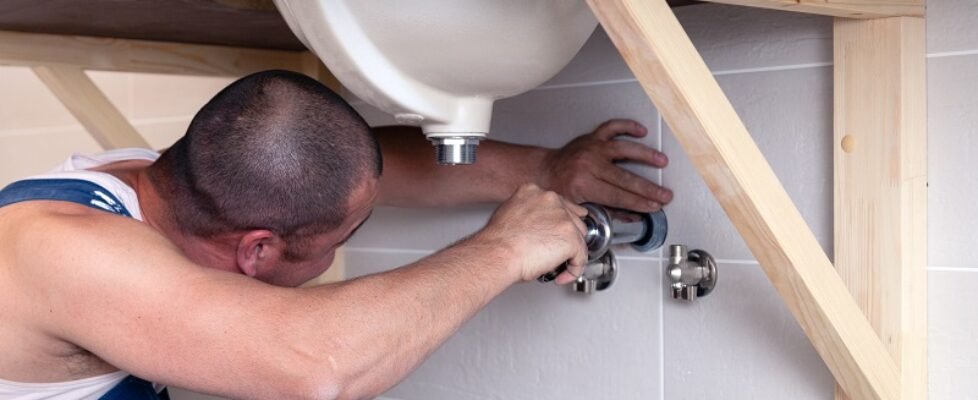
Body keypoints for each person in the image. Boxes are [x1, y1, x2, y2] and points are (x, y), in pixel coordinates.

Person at [0, 70, 672, 399]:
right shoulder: (63, 251)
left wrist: (548, 169)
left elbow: (341, 166)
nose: (343, 244)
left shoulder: (165, 184)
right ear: (258, 249)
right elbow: (314, 364)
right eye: (342, 237)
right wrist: (506, 247)